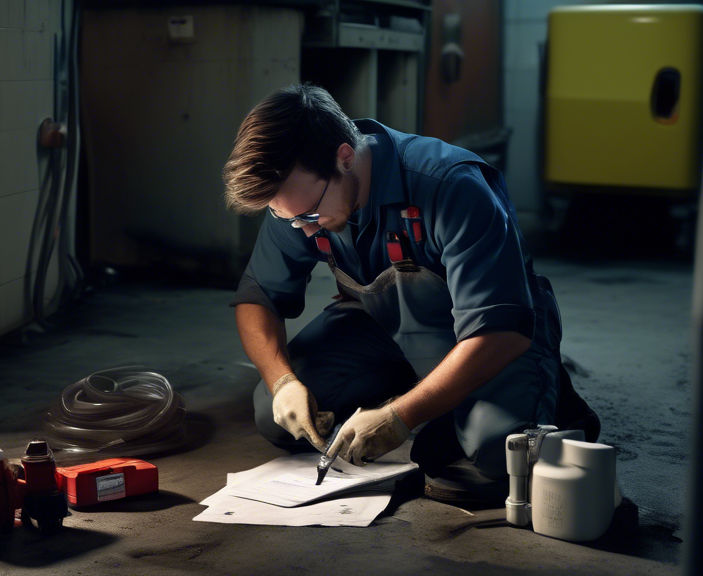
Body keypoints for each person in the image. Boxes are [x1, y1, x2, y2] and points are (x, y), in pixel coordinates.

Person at [223, 84, 599, 503]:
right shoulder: (299, 198)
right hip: (383, 325)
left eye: (310, 216)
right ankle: (426, 388)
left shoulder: (451, 185)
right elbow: (258, 297)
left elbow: (501, 330)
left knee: (498, 453)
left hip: (487, 335)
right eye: (288, 219)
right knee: (276, 418)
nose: (305, 229)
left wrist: (401, 416)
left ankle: (542, 392)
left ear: (344, 157)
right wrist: (283, 381)